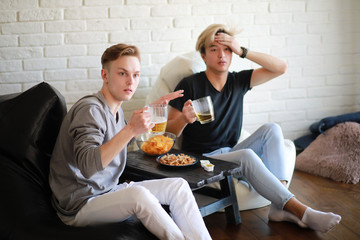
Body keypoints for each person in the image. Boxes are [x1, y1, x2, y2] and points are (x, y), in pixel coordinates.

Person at [166, 24, 341, 233]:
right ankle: (300, 210)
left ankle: (279, 205)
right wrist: (185, 118)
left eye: (227, 49)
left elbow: (281, 67)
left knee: (272, 128)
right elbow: (170, 132)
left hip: (229, 153)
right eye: (214, 49)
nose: (222, 55)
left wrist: (243, 51)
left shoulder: (238, 81)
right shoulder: (190, 84)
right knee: (247, 155)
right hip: (203, 159)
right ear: (203, 55)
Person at [49, 43, 212, 240]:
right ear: (105, 75)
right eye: (122, 73)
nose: (130, 82)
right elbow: (88, 166)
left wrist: (149, 114)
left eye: (135, 75)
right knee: (138, 196)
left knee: (178, 186)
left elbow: (119, 144)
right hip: (80, 203)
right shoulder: (90, 110)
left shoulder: (116, 113)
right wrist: (130, 129)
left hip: (107, 191)